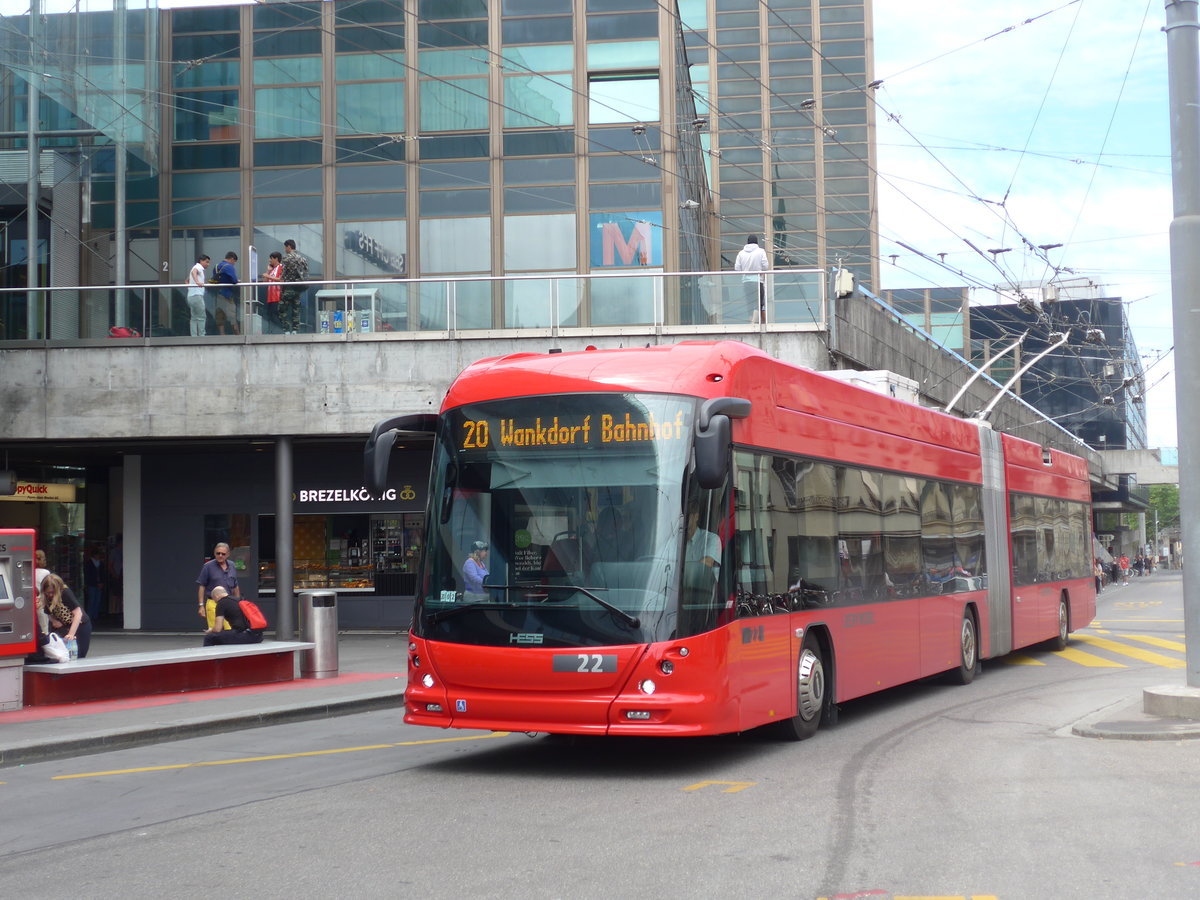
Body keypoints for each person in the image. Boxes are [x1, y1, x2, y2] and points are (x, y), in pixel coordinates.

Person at [41, 573, 91, 659]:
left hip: (80, 625)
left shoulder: (65, 593)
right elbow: (48, 613)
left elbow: (78, 613)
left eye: (52, 592)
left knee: (78, 655)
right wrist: (54, 621)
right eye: (47, 593)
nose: (50, 595)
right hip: (64, 625)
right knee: (62, 653)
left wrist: (71, 634)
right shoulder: (46, 598)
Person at [196, 542, 241, 619]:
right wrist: (201, 605)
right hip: (213, 603)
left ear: (228, 554)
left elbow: (235, 586)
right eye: (218, 553)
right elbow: (202, 586)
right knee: (216, 629)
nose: (220, 556)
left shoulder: (232, 565)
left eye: (223, 554)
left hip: (229, 602)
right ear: (214, 553)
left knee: (230, 629)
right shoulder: (208, 566)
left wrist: (239, 604)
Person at [733, 235, 770, 323]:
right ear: (756, 242)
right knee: (759, 303)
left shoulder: (741, 253)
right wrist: (760, 270)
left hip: (746, 281)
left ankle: (750, 320)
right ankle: (755, 321)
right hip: (758, 281)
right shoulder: (761, 251)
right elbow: (765, 266)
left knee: (749, 302)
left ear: (747, 242)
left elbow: (737, 268)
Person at [279, 239, 309, 334]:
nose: (285, 249)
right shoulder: (302, 259)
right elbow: (306, 273)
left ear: (289, 246)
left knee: (282, 309)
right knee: (296, 309)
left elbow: (283, 275)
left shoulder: (286, 258)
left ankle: (286, 329)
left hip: (288, 287)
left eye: (285, 247)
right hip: (299, 288)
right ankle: (295, 330)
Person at [214, 251, 240, 335]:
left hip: (218, 294)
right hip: (228, 295)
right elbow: (234, 280)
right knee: (232, 315)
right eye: (234, 262)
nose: (234, 264)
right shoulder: (229, 267)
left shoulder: (216, 266)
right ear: (232, 259)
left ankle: (222, 335)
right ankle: (237, 335)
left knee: (220, 315)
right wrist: (237, 281)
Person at [187, 254, 210, 336]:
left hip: (190, 296)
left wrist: (191, 284)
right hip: (197, 295)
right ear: (201, 261)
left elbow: (187, 280)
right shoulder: (198, 267)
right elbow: (194, 272)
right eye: (206, 262)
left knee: (194, 317)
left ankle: (194, 336)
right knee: (201, 317)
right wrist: (197, 282)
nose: (208, 264)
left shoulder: (194, 267)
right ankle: (201, 335)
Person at [261, 250, 283, 333]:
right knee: (270, 316)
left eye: (271, 258)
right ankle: (273, 332)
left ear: (276, 259)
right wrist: (268, 271)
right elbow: (265, 282)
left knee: (276, 316)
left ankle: (280, 332)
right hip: (270, 297)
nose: (269, 260)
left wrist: (268, 276)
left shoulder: (281, 267)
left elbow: (281, 279)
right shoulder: (272, 270)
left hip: (277, 297)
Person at [84, 543, 105, 623]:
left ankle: (95, 616)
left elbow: (103, 574)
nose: (98, 557)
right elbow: (88, 575)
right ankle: (90, 616)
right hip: (92, 584)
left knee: (97, 600)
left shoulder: (100, 563)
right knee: (92, 600)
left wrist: (102, 582)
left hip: (99, 584)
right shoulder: (89, 563)